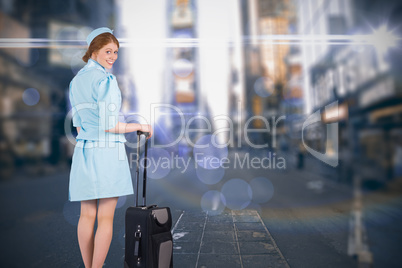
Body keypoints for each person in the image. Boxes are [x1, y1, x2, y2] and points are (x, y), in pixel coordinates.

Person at [68, 27, 152, 268]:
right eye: (108, 51)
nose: (113, 56)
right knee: (105, 218)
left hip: (84, 153)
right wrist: (139, 125)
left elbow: (79, 128)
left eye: (116, 51)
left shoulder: (76, 82)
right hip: (106, 153)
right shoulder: (105, 80)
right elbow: (109, 125)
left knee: (86, 216)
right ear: (94, 50)